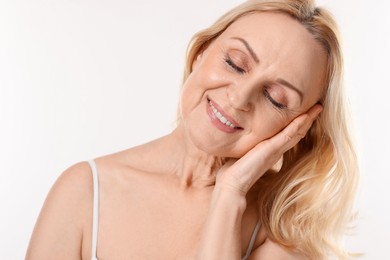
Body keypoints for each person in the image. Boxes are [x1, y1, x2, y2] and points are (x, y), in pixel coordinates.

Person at [26, 0, 358, 259]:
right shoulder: (84, 191)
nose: (239, 97)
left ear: (298, 128)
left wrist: (229, 196)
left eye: (275, 98)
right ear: (201, 53)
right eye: (235, 63)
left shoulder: (283, 236)